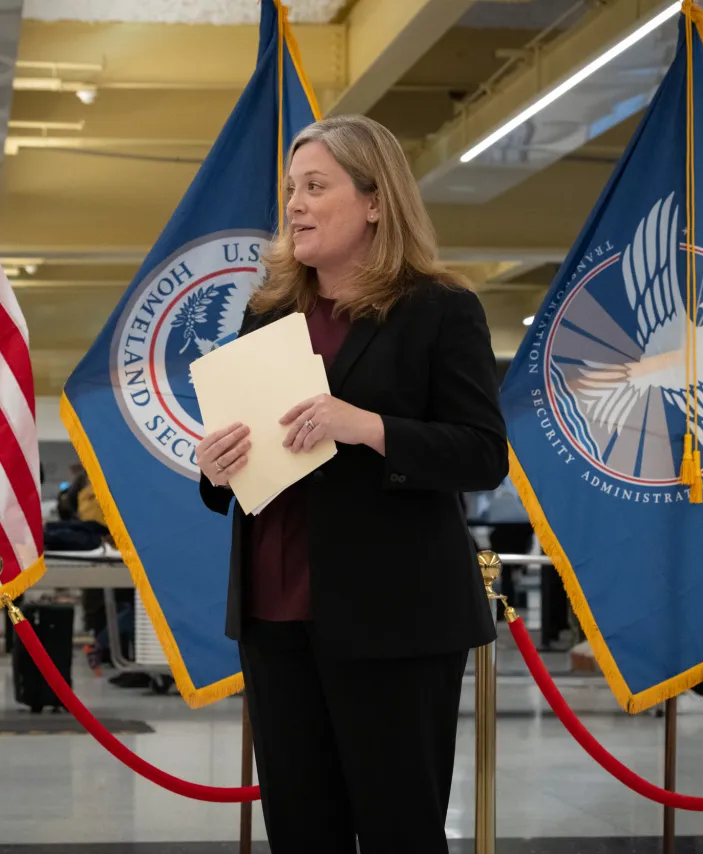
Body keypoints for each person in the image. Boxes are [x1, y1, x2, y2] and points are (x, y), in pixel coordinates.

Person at [195, 115, 508, 854]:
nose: (295, 205)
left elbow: (482, 454)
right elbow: (241, 474)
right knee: (304, 835)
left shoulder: (439, 309)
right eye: (289, 191)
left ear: (375, 200)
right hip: (274, 619)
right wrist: (213, 466)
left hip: (395, 623)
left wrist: (366, 425)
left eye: (314, 187)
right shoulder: (266, 312)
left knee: (401, 831)